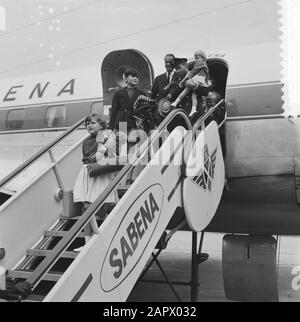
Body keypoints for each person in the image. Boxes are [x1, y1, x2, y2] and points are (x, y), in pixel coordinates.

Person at [73, 114, 117, 251]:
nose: (89, 126)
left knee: (93, 207)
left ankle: (100, 238)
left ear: (101, 125)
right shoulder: (86, 140)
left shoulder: (104, 135)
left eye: (92, 123)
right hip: (88, 172)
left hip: (98, 173)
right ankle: (89, 241)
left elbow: (102, 154)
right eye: (87, 124)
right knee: (86, 207)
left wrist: (94, 157)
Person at [171, 50, 210, 115]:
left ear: (185, 66)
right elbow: (172, 95)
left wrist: (195, 86)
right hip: (181, 115)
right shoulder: (175, 81)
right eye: (176, 69)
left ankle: (193, 110)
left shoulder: (198, 74)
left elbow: (206, 91)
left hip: (195, 116)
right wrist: (182, 83)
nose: (177, 71)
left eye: (179, 68)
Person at [109, 68, 146, 133]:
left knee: (133, 142)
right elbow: (114, 112)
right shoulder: (118, 94)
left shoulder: (142, 94)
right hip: (122, 123)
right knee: (121, 142)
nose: (135, 78)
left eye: (137, 77)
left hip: (135, 124)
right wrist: (111, 128)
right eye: (133, 76)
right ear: (125, 79)